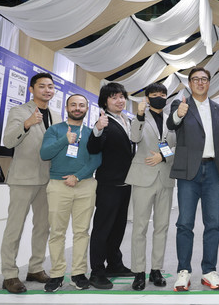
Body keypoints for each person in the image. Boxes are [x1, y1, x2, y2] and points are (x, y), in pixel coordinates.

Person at [167, 67, 219, 292]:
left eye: (204, 79)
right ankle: (183, 271)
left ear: (209, 82)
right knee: (185, 222)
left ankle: (209, 271)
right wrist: (179, 113)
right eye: (196, 79)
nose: (200, 82)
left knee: (213, 223)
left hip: (213, 170)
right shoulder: (181, 104)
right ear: (189, 83)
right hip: (188, 172)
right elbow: (172, 124)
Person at [39, 94, 101, 292]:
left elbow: (96, 160)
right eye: (73, 105)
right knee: (57, 232)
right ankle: (57, 274)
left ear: (86, 109)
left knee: (81, 232)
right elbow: (44, 154)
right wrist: (64, 141)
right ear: (66, 108)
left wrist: (78, 176)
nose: (77, 108)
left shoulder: (91, 133)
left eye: (81, 105)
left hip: (85, 185)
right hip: (58, 186)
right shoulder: (54, 130)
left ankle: (78, 273)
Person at [0, 72, 54, 294]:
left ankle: (36, 268)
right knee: (15, 227)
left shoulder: (56, 115)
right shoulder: (19, 111)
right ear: (32, 89)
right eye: (42, 86)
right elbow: (8, 141)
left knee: (43, 227)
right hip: (23, 178)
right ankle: (9, 274)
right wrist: (27, 124)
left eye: (50, 86)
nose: (47, 90)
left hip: (47, 179)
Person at [125, 83, 176, 291]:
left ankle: (156, 269)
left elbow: (177, 146)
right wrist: (139, 115)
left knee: (162, 226)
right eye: (154, 94)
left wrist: (163, 156)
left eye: (162, 94)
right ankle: (139, 272)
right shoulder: (139, 118)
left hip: (165, 178)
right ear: (147, 98)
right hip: (143, 178)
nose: (159, 97)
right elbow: (134, 138)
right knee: (140, 227)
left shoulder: (172, 119)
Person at [87, 82, 134, 289]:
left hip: (126, 182)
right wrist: (98, 129)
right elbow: (93, 147)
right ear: (105, 101)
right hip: (109, 183)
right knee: (103, 228)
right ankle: (97, 271)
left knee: (118, 226)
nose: (119, 101)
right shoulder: (103, 121)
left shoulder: (127, 120)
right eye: (114, 97)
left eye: (122, 96)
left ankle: (114, 264)